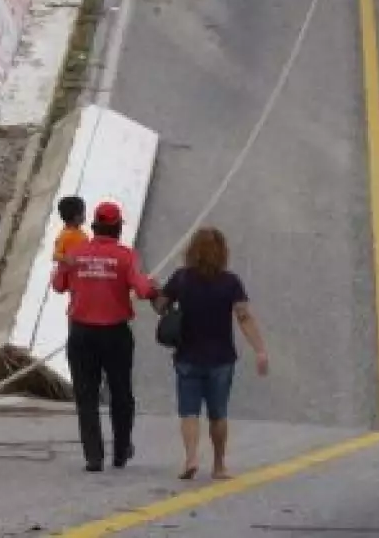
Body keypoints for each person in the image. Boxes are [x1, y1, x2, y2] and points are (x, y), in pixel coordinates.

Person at [51, 201, 159, 472]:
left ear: (95, 226)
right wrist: (154, 287)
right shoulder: (126, 256)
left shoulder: (75, 251)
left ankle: (94, 456)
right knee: (121, 393)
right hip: (115, 335)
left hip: (81, 334)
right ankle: (121, 449)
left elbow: (57, 285)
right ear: (117, 229)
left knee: (86, 395)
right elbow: (143, 290)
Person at [156, 228, 268, 481]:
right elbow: (244, 317)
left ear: (192, 251)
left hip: (187, 356)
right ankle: (218, 465)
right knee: (218, 414)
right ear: (222, 253)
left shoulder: (181, 278)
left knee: (189, 413)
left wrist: (155, 292)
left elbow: (160, 305)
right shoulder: (231, 282)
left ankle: (191, 458)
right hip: (221, 358)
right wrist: (260, 350)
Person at [53, 195, 88, 264]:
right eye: (83, 213)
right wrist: (67, 259)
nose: (85, 215)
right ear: (76, 217)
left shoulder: (78, 232)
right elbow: (56, 255)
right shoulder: (66, 235)